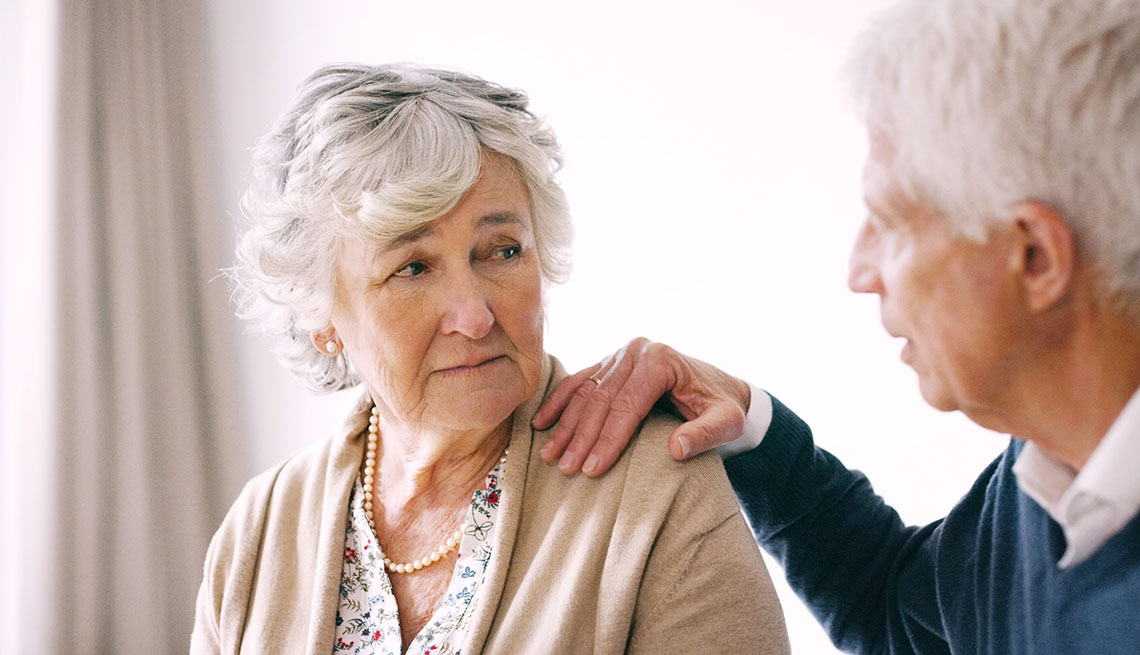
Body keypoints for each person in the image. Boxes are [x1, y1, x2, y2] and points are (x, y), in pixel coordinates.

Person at [535, 0, 1140, 653]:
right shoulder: (1049, 472)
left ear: (1035, 257)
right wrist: (752, 429)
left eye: (892, 221)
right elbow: (896, 611)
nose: (859, 271)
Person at [189, 63, 789, 654]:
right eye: (413, 268)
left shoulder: (660, 493)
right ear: (320, 316)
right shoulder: (257, 534)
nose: (474, 317)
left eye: (502, 251)